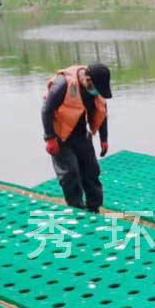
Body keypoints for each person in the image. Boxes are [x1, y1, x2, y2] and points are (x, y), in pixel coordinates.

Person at [41, 64, 112, 213]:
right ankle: (76, 210)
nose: (97, 93)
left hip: (81, 134)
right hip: (60, 136)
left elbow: (102, 112)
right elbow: (46, 110)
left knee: (91, 170)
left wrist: (104, 139)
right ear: (87, 80)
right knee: (70, 173)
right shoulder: (64, 84)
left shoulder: (96, 89)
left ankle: (94, 208)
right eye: (96, 89)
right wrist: (49, 138)